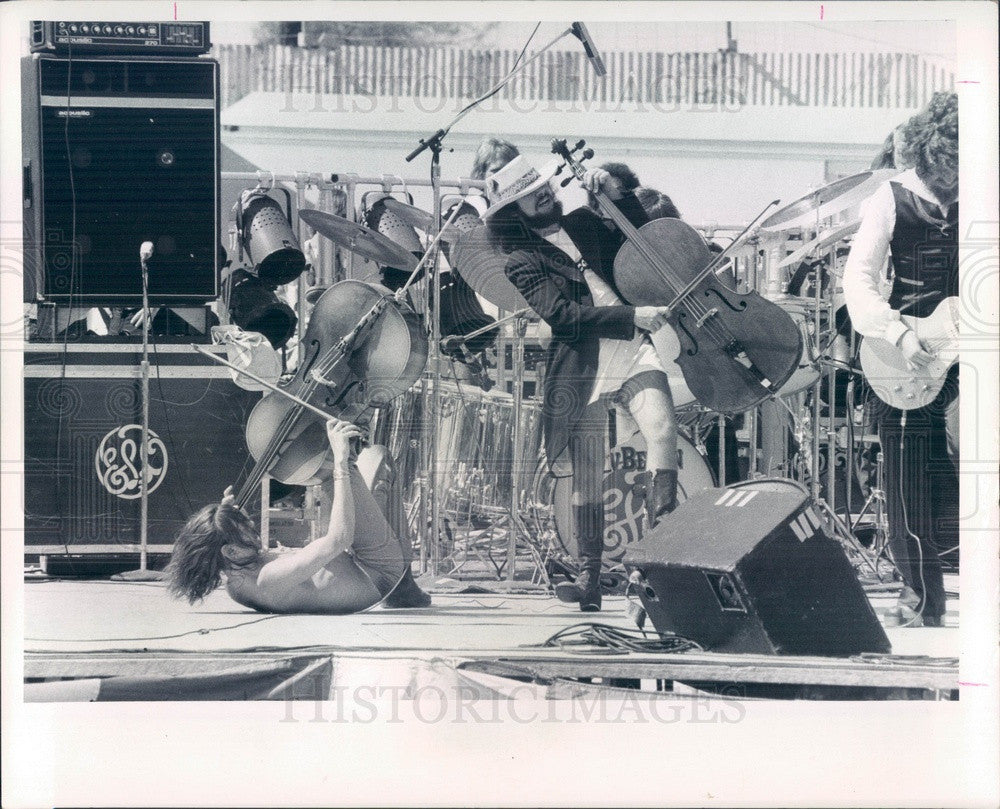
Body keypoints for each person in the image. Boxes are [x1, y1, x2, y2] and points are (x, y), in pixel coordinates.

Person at [482, 155, 679, 612]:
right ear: (514, 212)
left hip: (632, 346)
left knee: (664, 432)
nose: (544, 194)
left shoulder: (583, 221)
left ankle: (656, 566)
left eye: (543, 186)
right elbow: (563, 318)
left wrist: (615, 194)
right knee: (588, 473)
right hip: (584, 360)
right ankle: (589, 575)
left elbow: (640, 240)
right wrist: (632, 316)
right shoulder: (522, 261)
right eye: (530, 195)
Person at [842, 91, 959, 628]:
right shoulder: (890, 199)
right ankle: (921, 600)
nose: (956, 180)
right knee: (909, 483)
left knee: (958, 482)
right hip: (908, 355)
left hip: (971, 354)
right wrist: (898, 334)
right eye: (949, 165)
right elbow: (858, 283)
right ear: (930, 155)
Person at [167, 419, 430, 614]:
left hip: (356, 561)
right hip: (377, 571)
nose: (254, 527)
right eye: (245, 528)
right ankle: (402, 585)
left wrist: (226, 519)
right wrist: (341, 461)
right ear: (231, 552)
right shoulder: (266, 579)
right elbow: (339, 539)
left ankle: (404, 585)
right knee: (363, 460)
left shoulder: (235, 575)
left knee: (368, 462)